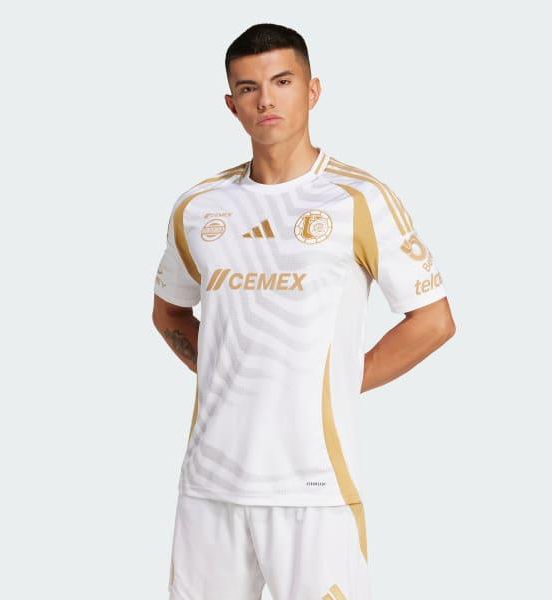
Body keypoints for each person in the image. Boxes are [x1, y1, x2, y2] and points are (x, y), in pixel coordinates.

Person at [152, 22, 456, 600]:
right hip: (210, 485)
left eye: (282, 81)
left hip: (314, 489)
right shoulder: (199, 207)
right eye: (248, 88)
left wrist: (341, 377)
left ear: (313, 91)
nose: (265, 100)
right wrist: (227, 370)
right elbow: (169, 314)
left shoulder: (358, 198)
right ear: (231, 104)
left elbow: (433, 320)